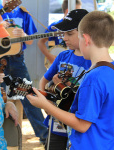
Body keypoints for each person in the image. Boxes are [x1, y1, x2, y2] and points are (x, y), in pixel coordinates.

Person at [27, 10, 114, 150]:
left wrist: (46, 105)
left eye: (78, 37)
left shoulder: (93, 79)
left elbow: (82, 125)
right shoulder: (110, 71)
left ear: (85, 39)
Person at [0, 0, 48, 144]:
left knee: (28, 96)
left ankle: (45, 137)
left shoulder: (23, 12)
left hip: (17, 60)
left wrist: (23, 33)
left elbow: (29, 41)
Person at [39, 9, 91, 150]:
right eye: (63, 34)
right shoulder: (63, 56)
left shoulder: (93, 61)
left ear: (84, 34)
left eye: (69, 33)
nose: (64, 38)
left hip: (79, 124)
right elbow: (43, 81)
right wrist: (47, 103)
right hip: (57, 123)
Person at [37, 0, 82, 65]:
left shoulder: (79, 27)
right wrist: (50, 57)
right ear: (67, 11)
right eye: (77, 11)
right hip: (60, 62)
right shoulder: (55, 26)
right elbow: (41, 42)